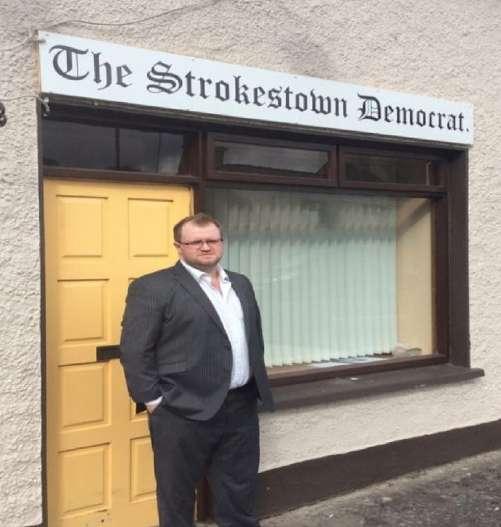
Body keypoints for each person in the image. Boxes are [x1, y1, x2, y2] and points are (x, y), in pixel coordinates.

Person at [120, 213, 274, 527]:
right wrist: (154, 402)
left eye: (212, 240)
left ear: (222, 243)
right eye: (196, 242)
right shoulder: (153, 287)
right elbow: (135, 350)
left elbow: (253, 338)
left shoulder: (240, 284)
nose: (206, 247)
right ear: (179, 246)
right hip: (181, 410)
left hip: (240, 407)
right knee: (177, 499)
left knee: (240, 493)